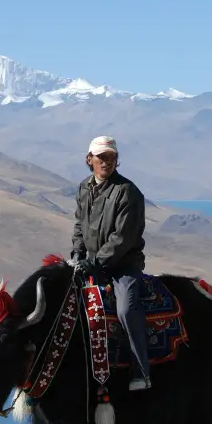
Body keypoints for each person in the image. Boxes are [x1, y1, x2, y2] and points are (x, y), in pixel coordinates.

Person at [70, 136, 151, 391]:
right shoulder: (84, 188)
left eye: (111, 157)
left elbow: (122, 237)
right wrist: (77, 255)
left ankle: (141, 372)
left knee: (126, 309)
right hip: (91, 263)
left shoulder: (128, 192)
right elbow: (79, 226)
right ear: (89, 159)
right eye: (101, 157)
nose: (106, 162)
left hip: (123, 265)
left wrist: (96, 261)